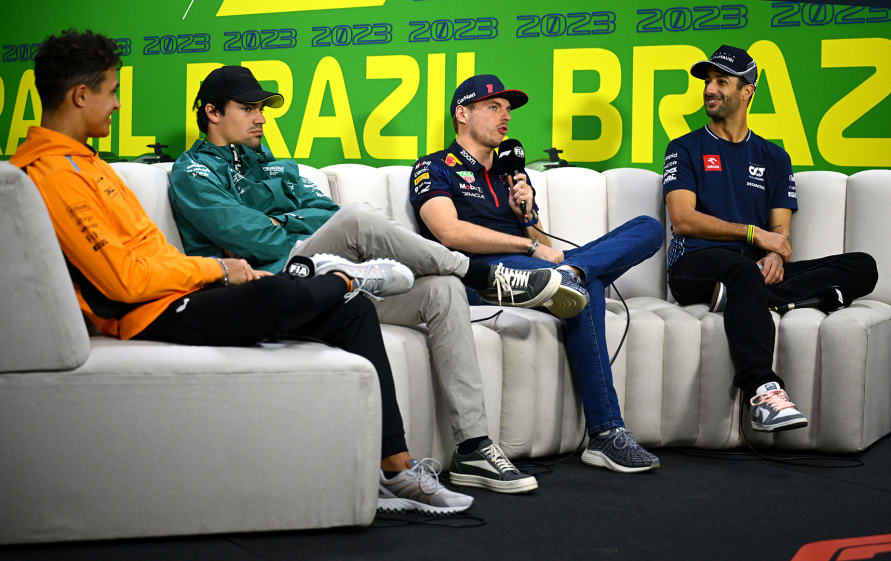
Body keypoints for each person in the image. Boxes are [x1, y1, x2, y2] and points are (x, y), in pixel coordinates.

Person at [12, 28, 473, 515]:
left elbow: (153, 253)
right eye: (112, 93)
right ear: (80, 95)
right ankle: (347, 275)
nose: (119, 106)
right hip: (144, 313)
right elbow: (123, 281)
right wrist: (217, 269)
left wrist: (218, 269)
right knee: (277, 295)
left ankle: (396, 471)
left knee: (352, 311)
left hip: (172, 288)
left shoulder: (92, 165)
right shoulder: (46, 173)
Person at [169, 66, 571, 494]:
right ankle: (484, 275)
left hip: (331, 276)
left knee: (443, 290)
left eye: (262, 108)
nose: (261, 118)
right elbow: (257, 239)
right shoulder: (192, 172)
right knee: (358, 220)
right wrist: (292, 225)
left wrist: (283, 218)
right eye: (248, 108)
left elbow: (323, 213)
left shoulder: (279, 167)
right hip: (278, 280)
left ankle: (472, 447)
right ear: (212, 112)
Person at [410, 74, 665, 473]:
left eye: (507, 110)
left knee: (647, 228)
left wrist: (527, 215)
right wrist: (528, 245)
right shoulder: (434, 166)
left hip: (536, 271)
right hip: (481, 277)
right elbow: (449, 232)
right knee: (579, 281)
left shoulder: (512, 174)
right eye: (494, 107)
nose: (505, 116)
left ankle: (575, 272)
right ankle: (606, 433)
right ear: (462, 113)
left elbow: (543, 244)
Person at [662, 45, 879, 432]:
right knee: (743, 270)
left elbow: (781, 234)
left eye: (721, 81)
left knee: (862, 265)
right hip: (695, 266)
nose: (710, 89)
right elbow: (683, 220)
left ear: (747, 91)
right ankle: (762, 390)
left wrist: (776, 256)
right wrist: (753, 234)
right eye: (707, 82)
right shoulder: (684, 147)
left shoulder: (775, 158)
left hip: (750, 271)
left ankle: (762, 296)